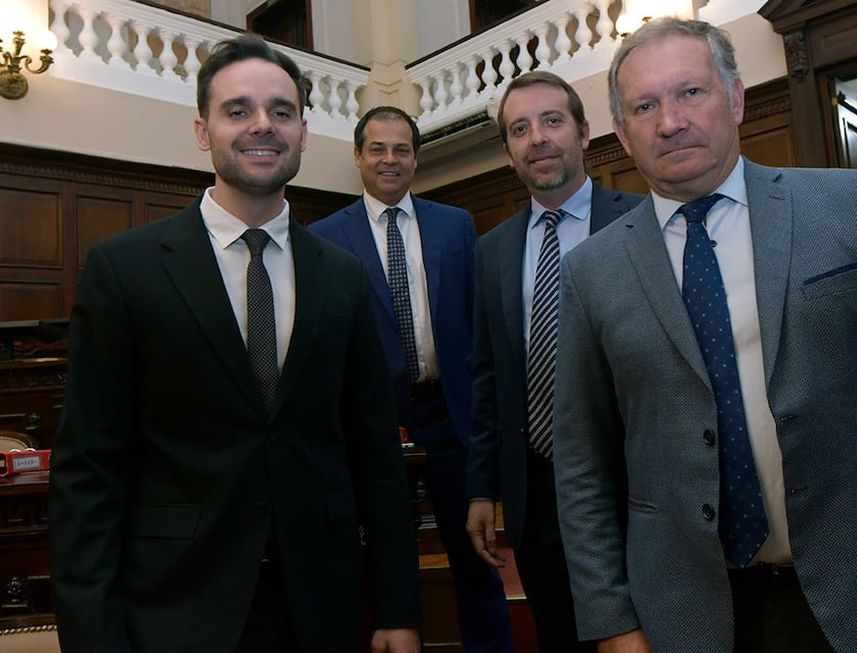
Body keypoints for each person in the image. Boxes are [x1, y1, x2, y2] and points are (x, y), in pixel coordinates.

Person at [553, 17, 857, 653]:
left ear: (738, 98)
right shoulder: (590, 270)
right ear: (622, 133)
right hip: (685, 615)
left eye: (691, 92)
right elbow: (582, 464)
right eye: (645, 105)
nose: (670, 121)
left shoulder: (854, 207)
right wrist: (612, 621)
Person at [49, 35, 421, 653]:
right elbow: (89, 471)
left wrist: (398, 607)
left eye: (281, 111)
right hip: (176, 605)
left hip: (321, 604)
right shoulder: (126, 270)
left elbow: (375, 454)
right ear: (203, 130)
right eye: (238, 110)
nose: (262, 126)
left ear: (303, 131)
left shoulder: (343, 276)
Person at [310, 106, 512, 653]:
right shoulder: (323, 238)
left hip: (450, 417)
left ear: (416, 158)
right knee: (381, 559)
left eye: (401, 149)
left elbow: (477, 328)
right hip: (375, 428)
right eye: (377, 148)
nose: (389, 159)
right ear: (357, 156)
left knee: (476, 559)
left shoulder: (455, 225)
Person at [464, 71, 643, 651]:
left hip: (636, 484)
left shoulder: (641, 223)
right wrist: (481, 490)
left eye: (551, 121)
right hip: (535, 489)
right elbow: (488, 379)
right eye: (520, 129)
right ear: (509, 149)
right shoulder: (490, 251)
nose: (537, 138)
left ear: (585, 132)